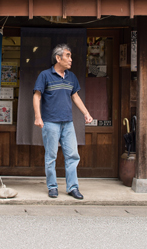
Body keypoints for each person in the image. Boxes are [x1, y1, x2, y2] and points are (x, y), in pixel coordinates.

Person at [33, 44, 93, 199]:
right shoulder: (45, 75)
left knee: (73, 155)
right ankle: (52, 187)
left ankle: (73, 187)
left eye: (70, 56)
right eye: (68, 55)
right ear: (58, 58)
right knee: (51, 156)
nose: (70, 59)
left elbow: (75, 96)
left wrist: (86, 113)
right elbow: (37, 96)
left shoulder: (71, 77)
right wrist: (38, 117)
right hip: (50, 122)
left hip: (68, 122)